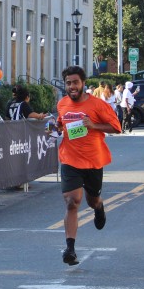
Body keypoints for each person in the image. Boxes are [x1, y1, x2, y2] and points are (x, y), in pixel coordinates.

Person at [54, 66, 121, 266]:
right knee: (72, 201)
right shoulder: (62, 104)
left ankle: (99, 207)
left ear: (83, 83)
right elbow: (61, 124)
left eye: (75, 82)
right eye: (68, 83)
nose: (72, 86)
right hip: (69, 159)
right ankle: (70, 249)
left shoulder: (97, 105)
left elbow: (116, 127)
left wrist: (93, 125)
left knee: (92, 201)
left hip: (93, 161)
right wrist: (55, 128)